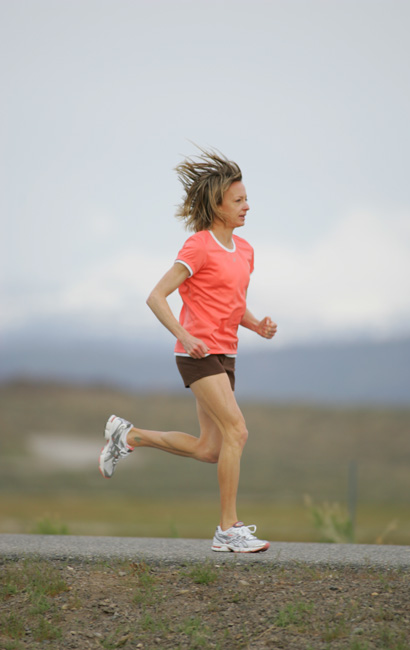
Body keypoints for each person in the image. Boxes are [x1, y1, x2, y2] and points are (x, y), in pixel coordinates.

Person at [99, 148, 277, 552]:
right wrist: (185, 334)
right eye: (238, 200)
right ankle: (227, 529)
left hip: (226, 355)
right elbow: (156, 296)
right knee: (237, 431)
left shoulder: (245, 251)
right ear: (217, 205)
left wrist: (257, 325)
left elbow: (231, 304)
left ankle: (129, 435)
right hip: (197, 355)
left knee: (211, 448)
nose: (247, 206)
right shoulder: (198, 246)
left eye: (246, 199)